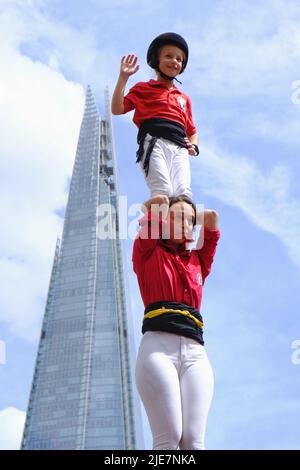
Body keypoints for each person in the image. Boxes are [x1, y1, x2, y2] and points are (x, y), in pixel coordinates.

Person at [132, 195, 220, 450]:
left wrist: (188, 214)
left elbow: (212, 218)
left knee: (193, 442)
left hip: (195, 353)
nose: (187, 224)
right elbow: (154, 203)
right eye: (180, 218)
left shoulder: (198, 260)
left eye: (191, 221)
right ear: (162, 220)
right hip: (158, 350)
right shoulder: (147, 251)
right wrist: (164, 209)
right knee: (169, 439)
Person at [111, 32, 199, 200]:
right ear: (155, 61)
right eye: (169, 56)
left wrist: (193, 146)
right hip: (154, 141)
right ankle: (153, 223)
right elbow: (117, 108)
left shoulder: (183, 98)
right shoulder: (143, 88)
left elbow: (192, 132)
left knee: (183, 194)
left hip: (179, 146)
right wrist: (123, 79)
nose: (175, 61)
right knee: (163, 191)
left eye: (179, 59)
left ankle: (181, 225)